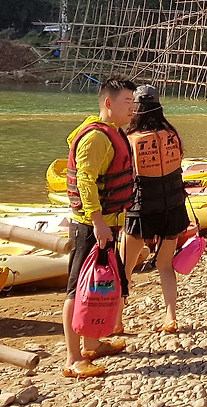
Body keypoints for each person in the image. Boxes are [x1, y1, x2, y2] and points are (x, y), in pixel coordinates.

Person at [63, 77, 137, 379]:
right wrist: (97, 221)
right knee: (77, 289)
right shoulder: (95, 138)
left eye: (133, 102)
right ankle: (72, 358)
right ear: (108, 103)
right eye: (127, 102)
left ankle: (91, 344)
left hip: (108, 224)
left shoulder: (113, 132)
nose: (132, 108)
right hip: (90, 227)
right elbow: (85, 180)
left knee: (97, 287)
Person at [122, 84, 190, 334]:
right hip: (172, 206)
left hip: (141, 209)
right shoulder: (173, 135)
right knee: (165, 265)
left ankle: (116, 320)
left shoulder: (130, 140)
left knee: (125, 267)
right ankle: (171, 317)